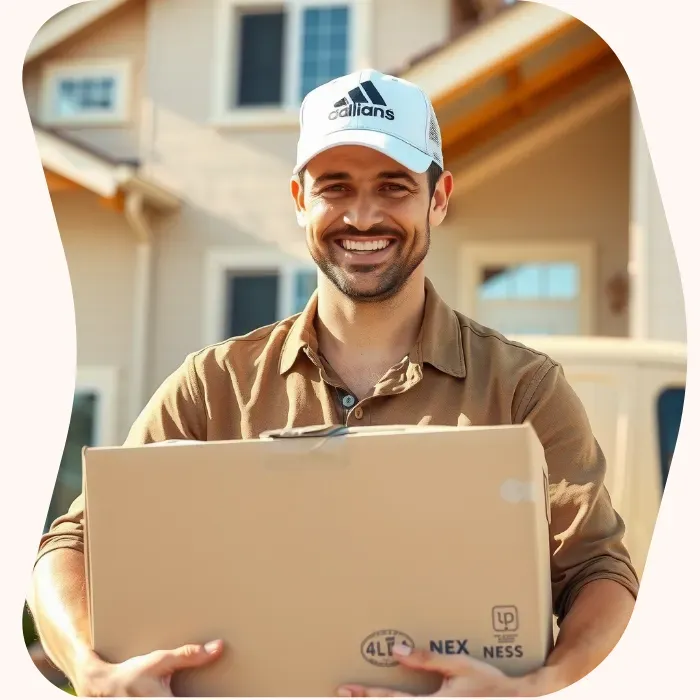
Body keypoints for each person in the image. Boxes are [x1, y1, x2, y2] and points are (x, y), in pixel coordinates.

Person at [28, 69, 638, 698]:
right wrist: (90, 670)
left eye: (394, 186)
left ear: (439, 197)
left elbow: (598, 570)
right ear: (299, 199)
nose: (363, 215)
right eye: (335, 187)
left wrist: (538, 686)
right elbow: (74, 544)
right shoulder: (212, 387)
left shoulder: (523, 390)